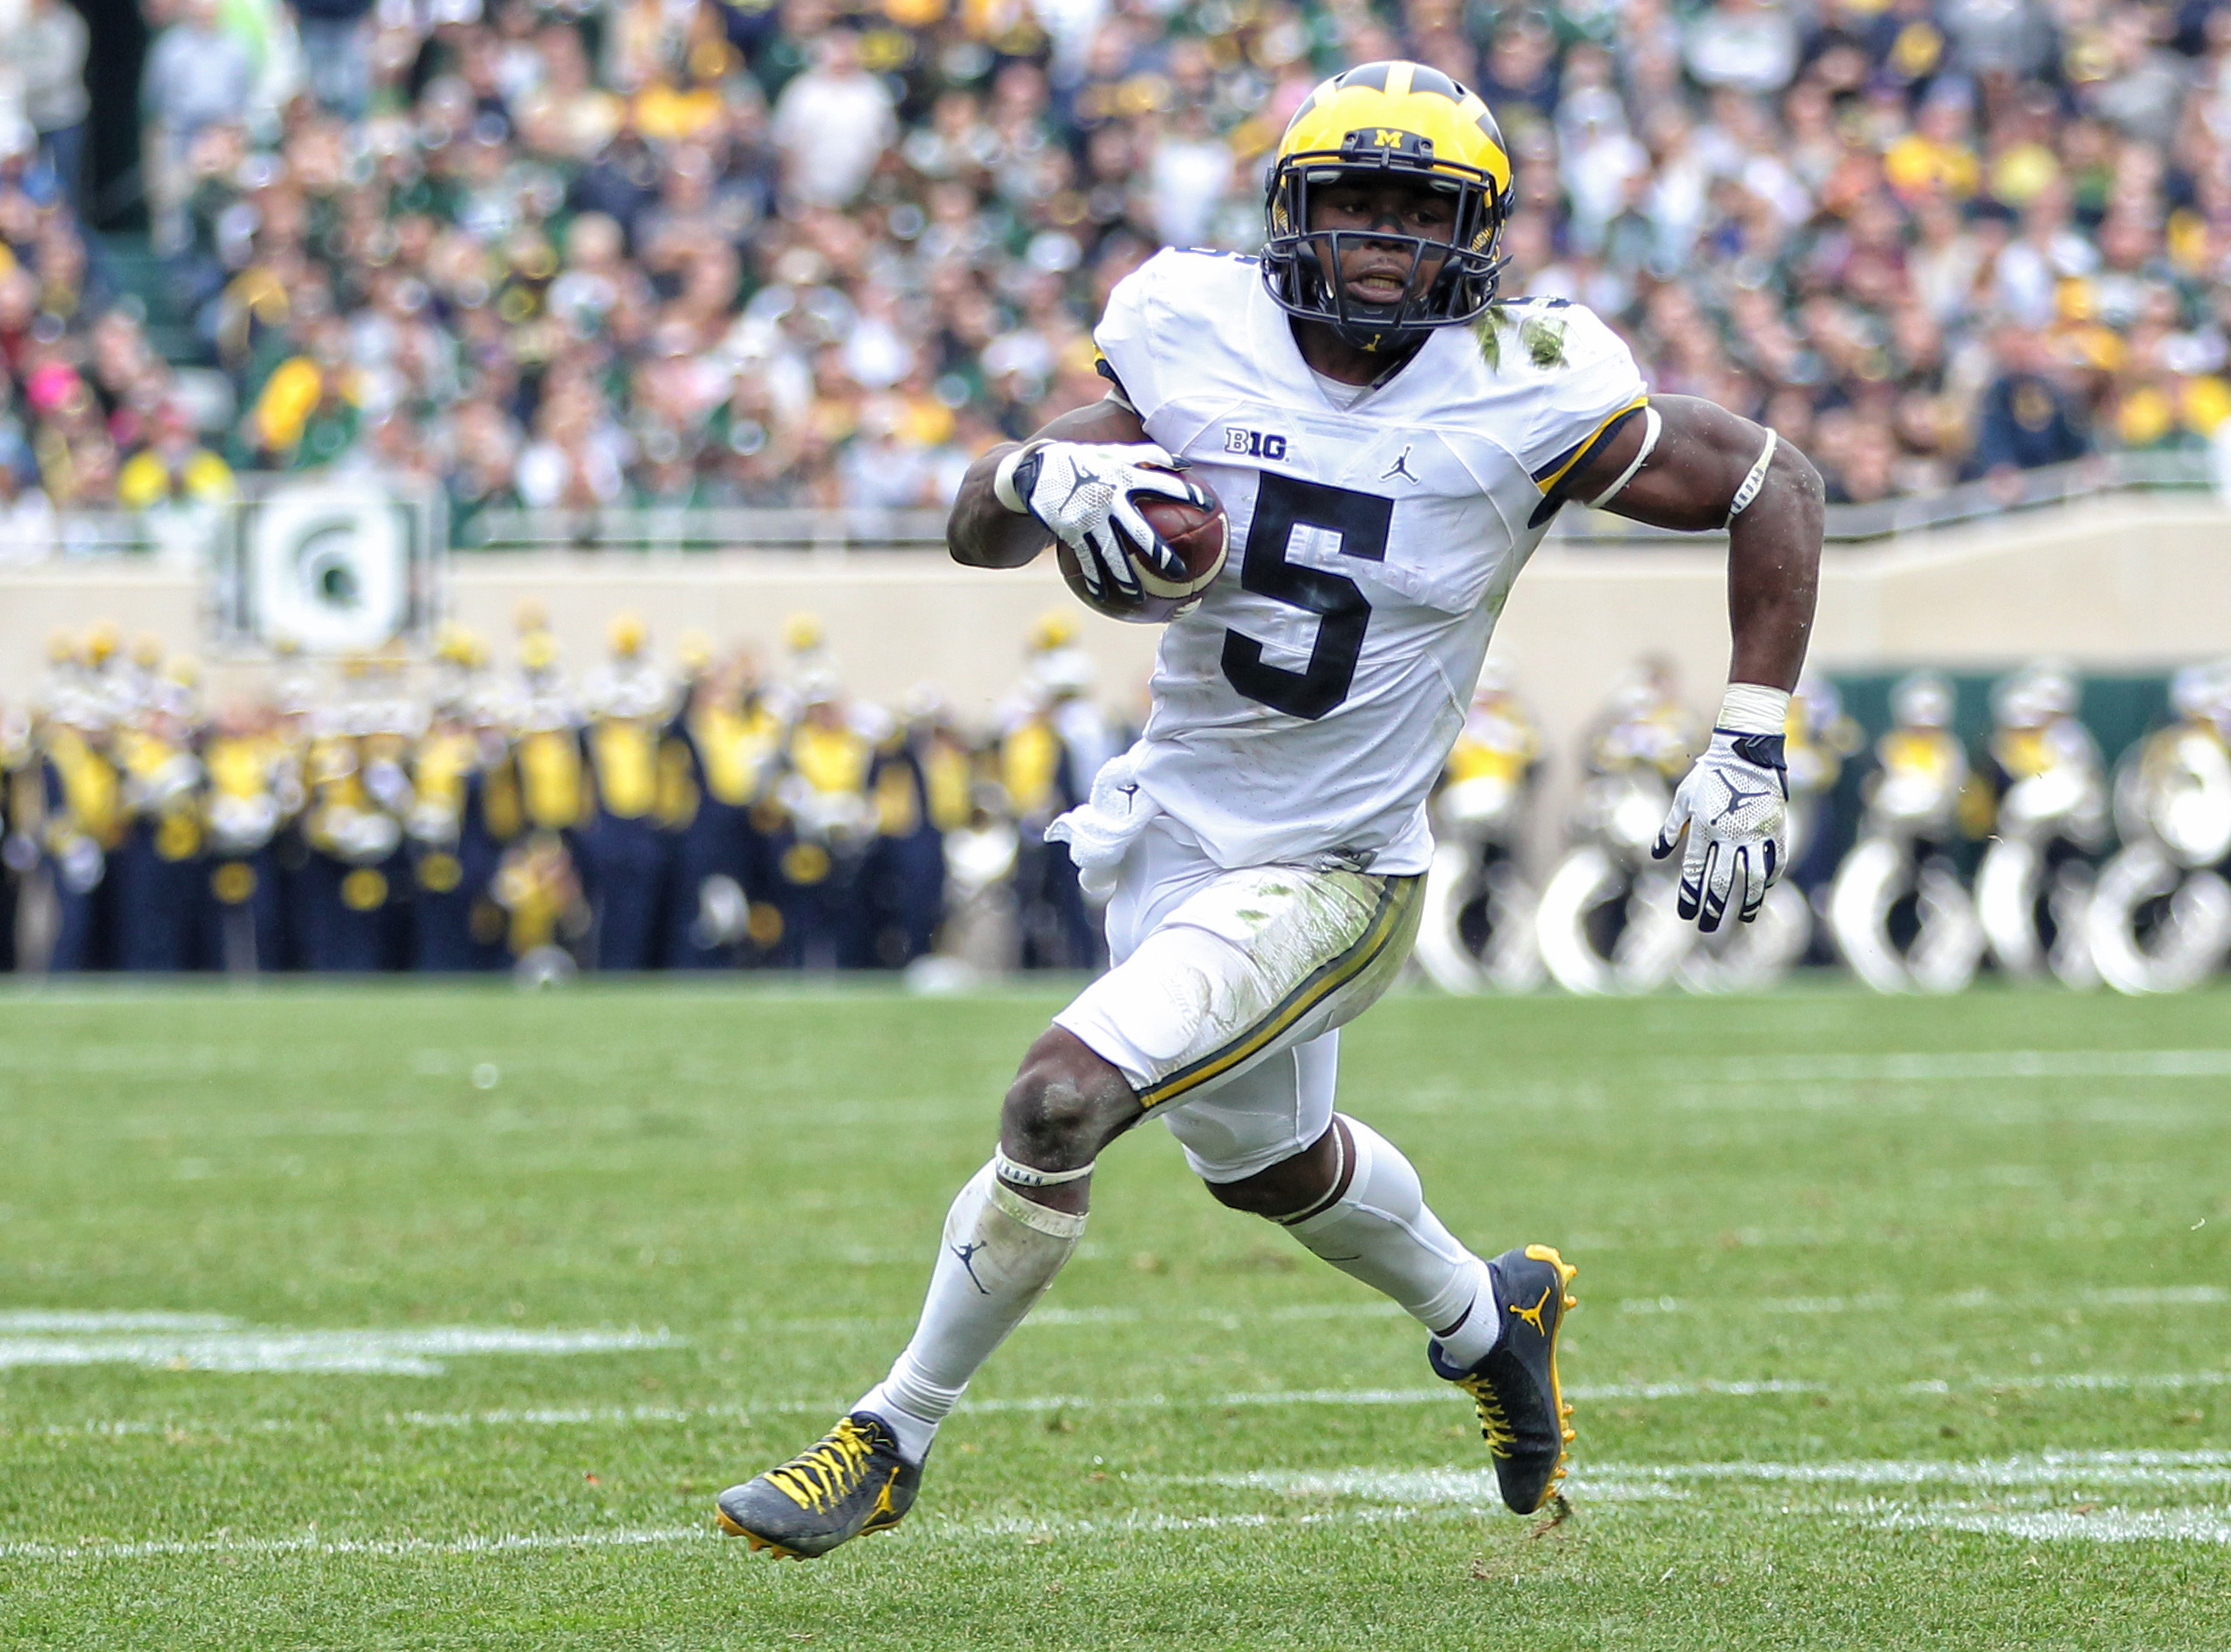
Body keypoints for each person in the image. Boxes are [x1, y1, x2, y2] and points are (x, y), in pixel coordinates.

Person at [717, 60, 1823, 1559]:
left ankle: (890, 1433)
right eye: (1353, 200)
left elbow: (1775, 479)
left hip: (1335, 866)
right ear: (1290, 209)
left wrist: (1749, 737)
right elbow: (977, 525)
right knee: (1273, 1170)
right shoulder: (1192, 325)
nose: (1380, 237)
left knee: (1058, 1101)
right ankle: (1488, 1315)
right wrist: (1036, 475)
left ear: (1478, 232)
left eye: (1417, 209)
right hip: (1171, 832)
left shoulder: (1533, 374)